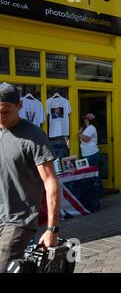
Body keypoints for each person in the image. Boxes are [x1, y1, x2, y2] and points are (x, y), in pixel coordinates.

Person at [0, 83, 60, 273]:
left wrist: (52, 230)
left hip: (18, 220)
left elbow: (51, 183)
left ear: (20, 106)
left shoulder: (33, 136)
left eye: (6, 111)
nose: (1, 116)